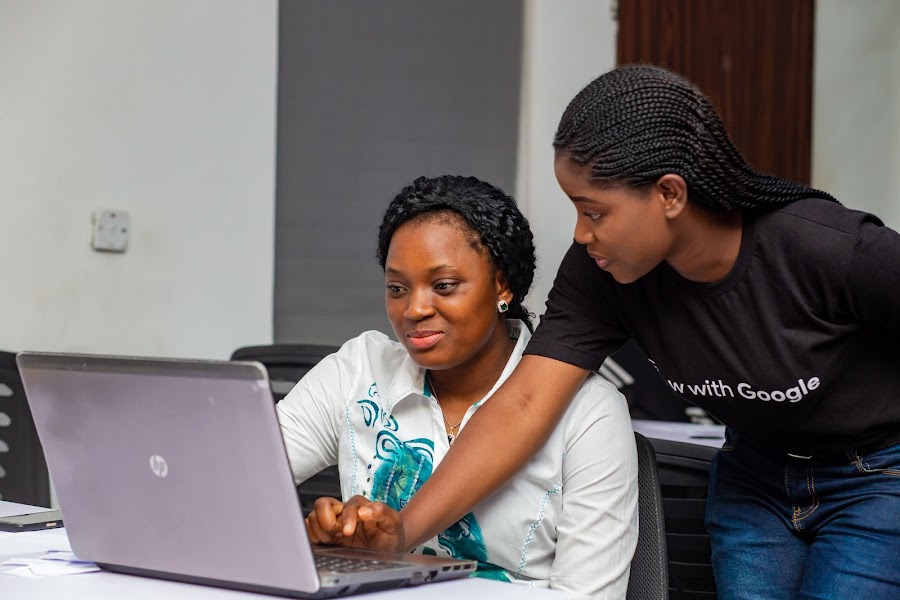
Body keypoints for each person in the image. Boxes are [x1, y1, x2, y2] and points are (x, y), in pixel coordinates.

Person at [318, 65, 900, 600]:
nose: (579, 233)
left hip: (876, 474)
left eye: (593, 211)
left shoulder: (831, 249)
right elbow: (522, 404)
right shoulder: (601, 275)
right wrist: (403, 533)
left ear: (669, 193)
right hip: (755, 477)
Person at [276, 174, 638, 596]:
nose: (414, 309)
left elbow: (588, 593)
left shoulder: (589, 412)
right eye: (397, 288)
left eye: (443, 286)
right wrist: (318, 542)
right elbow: (237, 479)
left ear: (502, 284)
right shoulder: (358, 371)